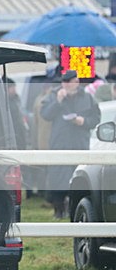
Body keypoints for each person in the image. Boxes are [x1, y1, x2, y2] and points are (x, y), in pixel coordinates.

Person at [40, 69, 100, 219]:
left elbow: (95, 118)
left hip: (80, 143)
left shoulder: (87, 97)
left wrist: (84, 121)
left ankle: (76, 209)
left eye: (71, 83)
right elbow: (45, 114)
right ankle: (58, 210)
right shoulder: (54, 95)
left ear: (77, 83)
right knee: (58, 178)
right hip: (60, 142)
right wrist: (57, 102)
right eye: (65, 83)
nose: (68, 86)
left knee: (78, 178)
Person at [4, 77, 28, 149]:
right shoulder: (6, 103)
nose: (14, 90)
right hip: (12, 132)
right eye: (12, 87)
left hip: (20, 132)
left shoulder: (16, 99)